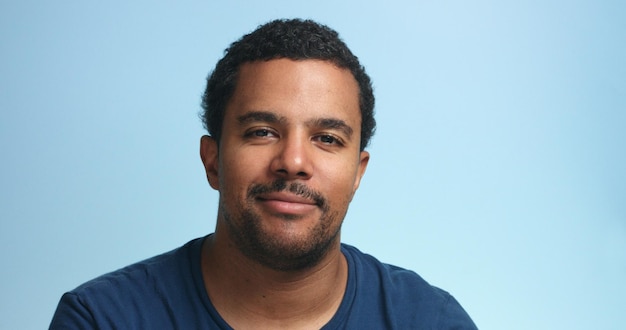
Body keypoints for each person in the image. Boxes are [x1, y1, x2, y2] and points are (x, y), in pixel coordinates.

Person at [50, 18, 477, 329]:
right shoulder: (101, 319)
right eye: (262, 132)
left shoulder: (431, 321)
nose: (292, 161)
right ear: (213, 159)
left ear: (357, 173)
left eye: (327, 138)